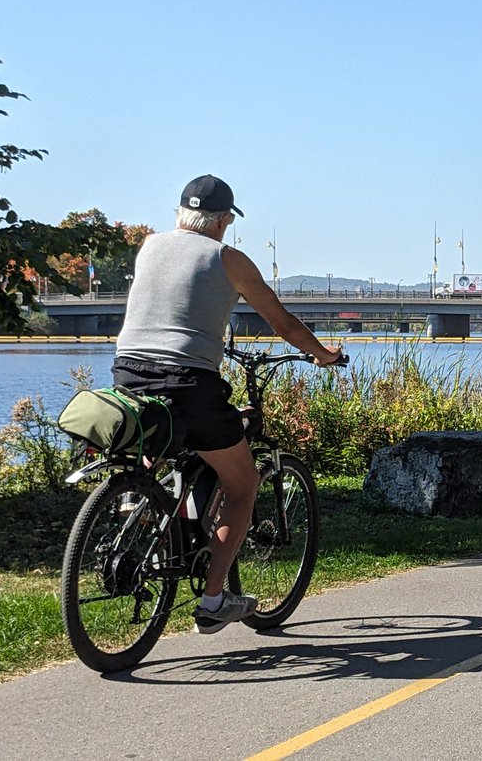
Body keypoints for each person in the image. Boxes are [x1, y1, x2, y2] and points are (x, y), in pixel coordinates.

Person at [113, 174, 344, 634]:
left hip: (128, 373)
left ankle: (145, 512)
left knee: (167, 444)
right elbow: (280, 321)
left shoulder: (149, 246)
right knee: (243, 483)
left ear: (180, 214)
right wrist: (323, 354)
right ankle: (214, 599)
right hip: (187, 381)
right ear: (223, 221)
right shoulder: (228, 258)